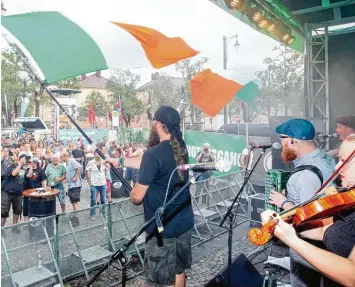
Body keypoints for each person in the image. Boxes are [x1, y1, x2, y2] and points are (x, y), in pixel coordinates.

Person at [265, 135, 355, 287]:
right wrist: (288, 226)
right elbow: (326, 231)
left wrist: (292, 240)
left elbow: (352, 276)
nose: (336, 167)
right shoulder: (350, 198)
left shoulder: (304, 175)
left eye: (343, 160)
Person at [130, 106, 194, 287]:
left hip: (162, 230)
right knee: (178, 271)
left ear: (159, 124)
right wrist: (119, 161)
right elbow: (154, 164)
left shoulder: (153, 154)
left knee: (160, 280)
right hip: (184, 222)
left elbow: (137, 197)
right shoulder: (180, 148)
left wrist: (133, 189)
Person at [269, 118, 336, 287]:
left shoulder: (304, 176)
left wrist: (284, 202)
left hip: (309, 243)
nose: (280, 144)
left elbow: (308, 219)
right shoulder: (325, 157)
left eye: (282, 139)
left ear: (292, 141)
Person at [1, 154, 27, 227]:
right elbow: (13, 173)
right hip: (8, 192)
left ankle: (14, 227)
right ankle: (1, 228)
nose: (25, 160)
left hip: (18, 193)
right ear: (19, 159)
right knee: (4, 212)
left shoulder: (25, 169)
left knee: (17, 211)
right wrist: (20, 164)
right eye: (24, 159)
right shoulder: (12, 166)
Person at [86, 151, 108, 220]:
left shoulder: (104, 161)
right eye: (97, 153)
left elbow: (106, 170)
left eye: (99, 153)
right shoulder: (91, 162)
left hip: (103, 183)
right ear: (94, 154)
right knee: (93, 200)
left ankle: (104, 213)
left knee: (104, 200)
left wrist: (105, 178)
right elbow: (86, 171)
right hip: (94, 183)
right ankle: (92, 214)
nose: (98, 154)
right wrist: (88, 180)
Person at [23, 158, 46, 222]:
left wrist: (44, 191)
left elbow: (43, 181)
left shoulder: (40, 170)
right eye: (31, 163)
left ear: (37, 163)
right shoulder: (27, 170)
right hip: (28, 192)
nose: (32, 164)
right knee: (26, 208)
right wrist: (30, 167)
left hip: (38, 192)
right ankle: (26, 223)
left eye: (34, 163)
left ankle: (37, 222)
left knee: (37, 208)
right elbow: (29, 175)